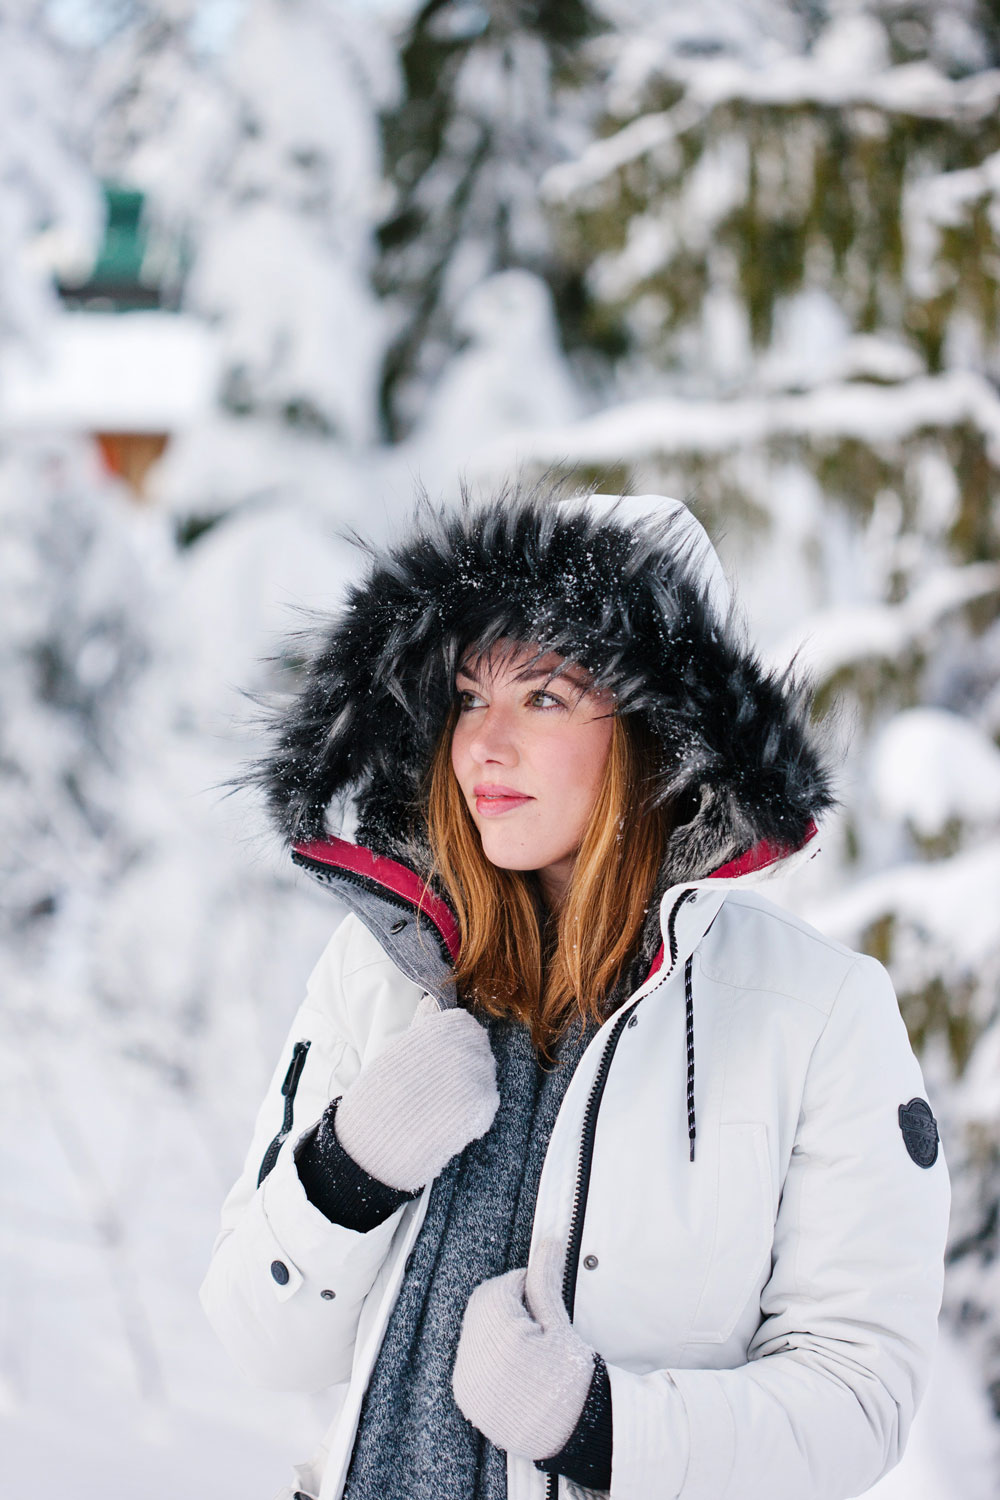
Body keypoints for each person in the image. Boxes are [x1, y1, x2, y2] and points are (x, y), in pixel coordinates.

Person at [200, 484, 950, 1500]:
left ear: (662, 729)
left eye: (542, 696)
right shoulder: (379, 973)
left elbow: (860, 1397)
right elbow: (259, 1343)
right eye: (468, 696)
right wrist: (348, 1166)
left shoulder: (818, 1016)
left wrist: (601, 1427)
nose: (482, 745)